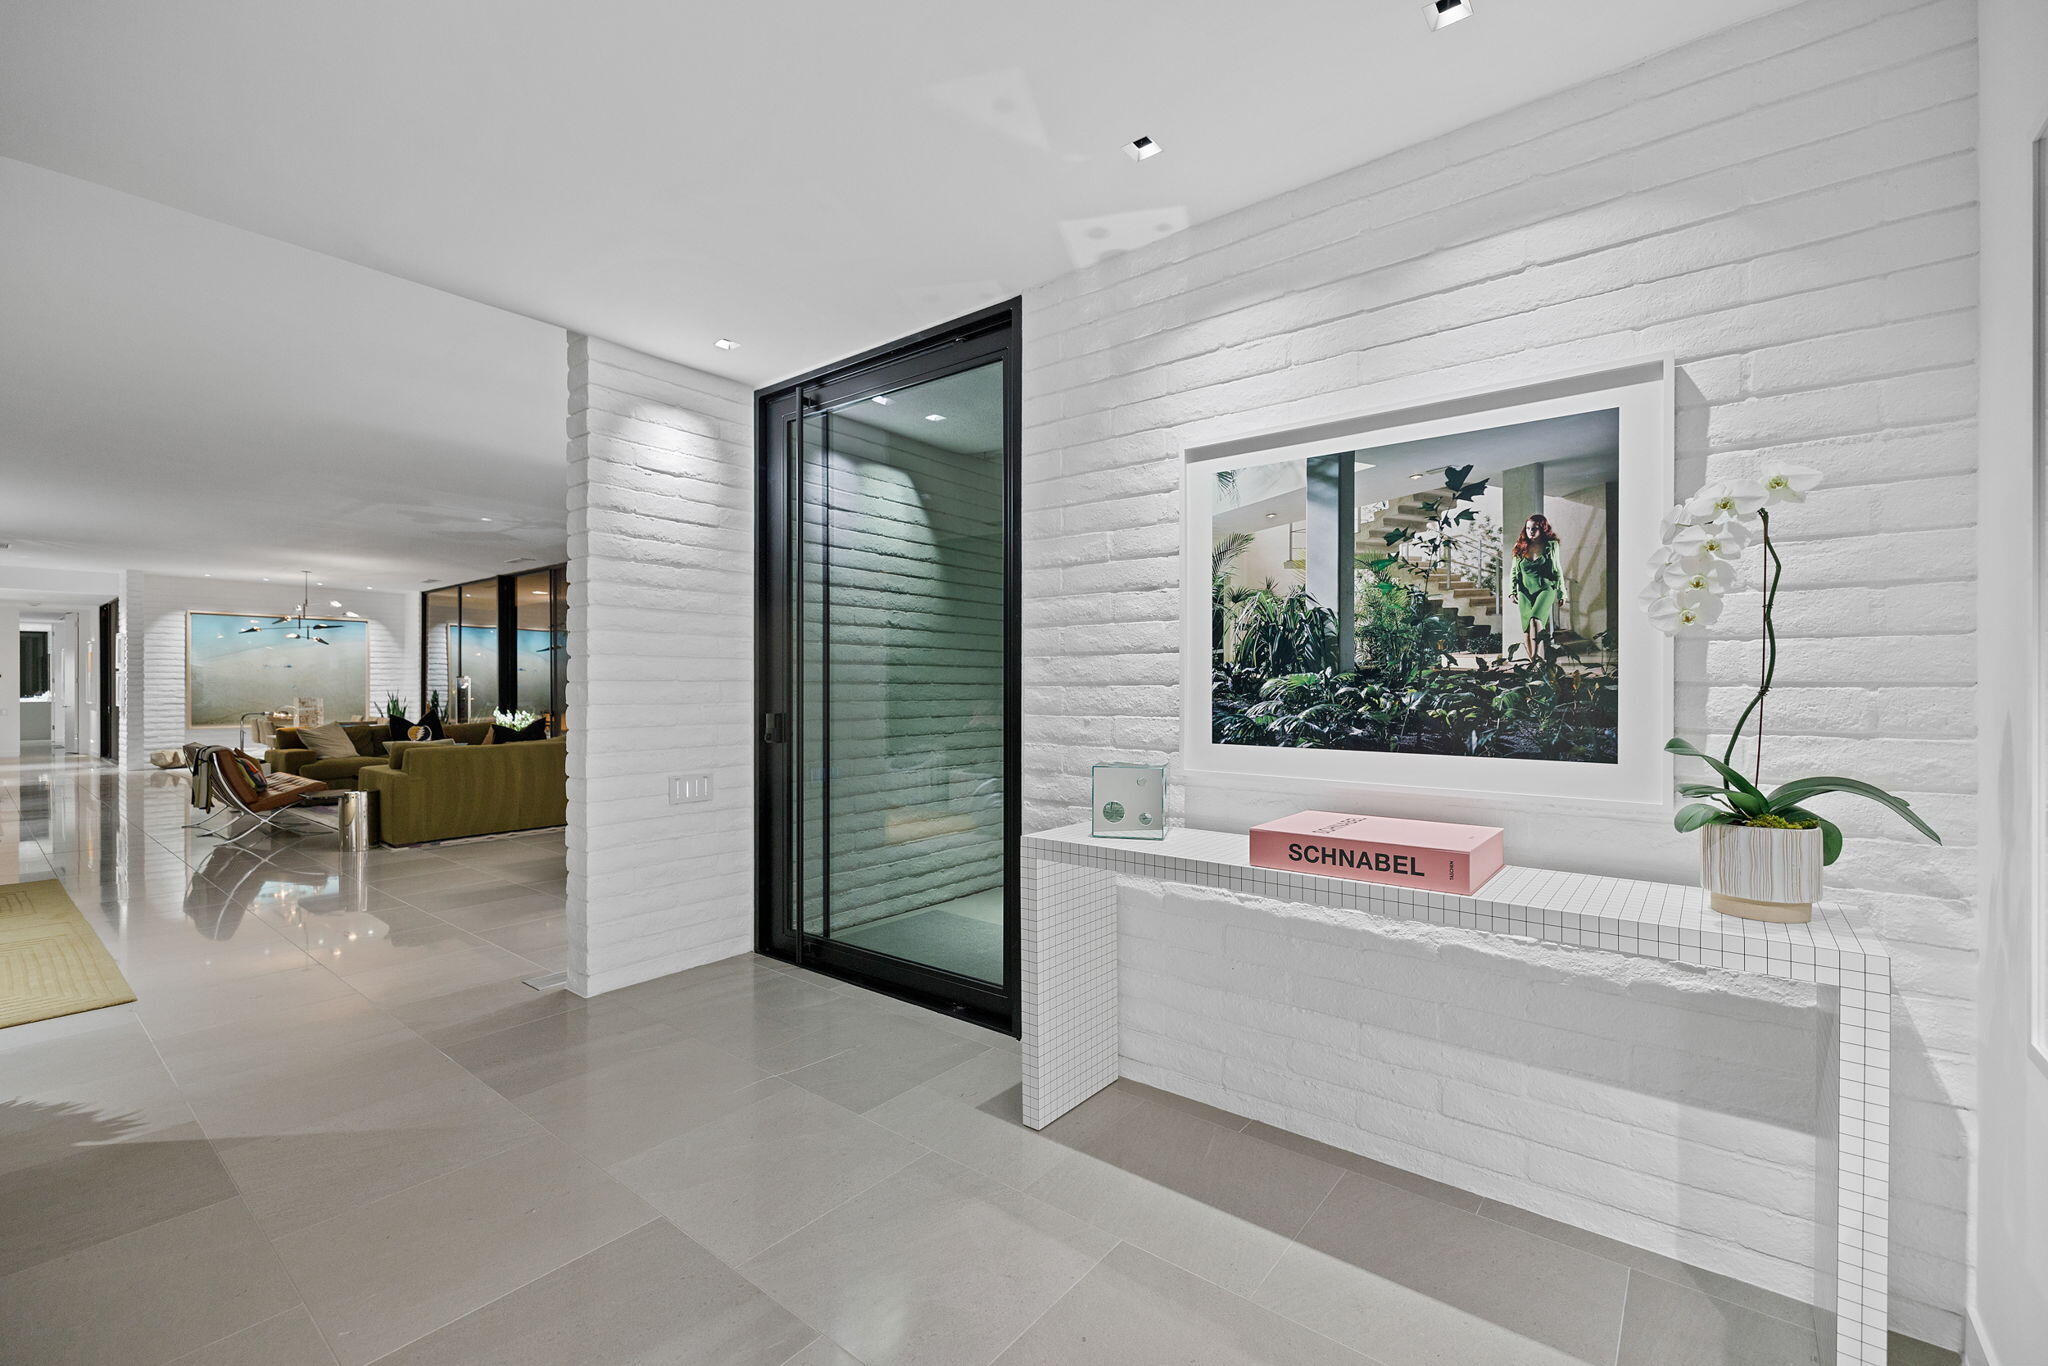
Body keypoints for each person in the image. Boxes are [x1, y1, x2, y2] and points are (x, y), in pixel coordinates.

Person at [1509, 513, 1568, 663]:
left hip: (1546, 588)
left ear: (1542, 529)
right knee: (1527, 629)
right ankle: (1535, 664)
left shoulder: (1551, 545)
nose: (1530, 531)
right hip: (1525, 592)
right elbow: (1514, 571)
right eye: (1528, 528)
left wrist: (1562, 592)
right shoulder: (1520, 547)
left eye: (1534, 528)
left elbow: (1557, 568)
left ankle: (1538, 660)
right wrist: (1512, 591)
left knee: (1536, 620)